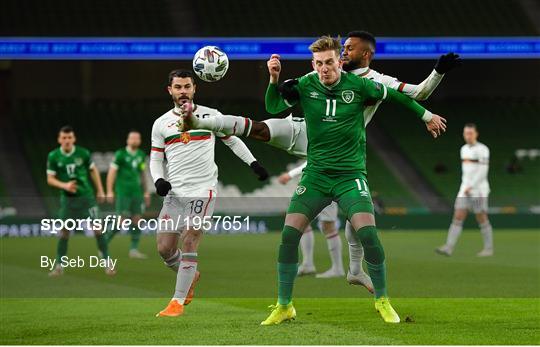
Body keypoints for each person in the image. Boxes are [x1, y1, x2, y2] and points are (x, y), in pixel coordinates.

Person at [181, 31, 455, 293]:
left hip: (340, 150)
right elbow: (275, 105)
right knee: (262, 128)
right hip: (305, 131)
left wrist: (438, 73)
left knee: (356, 220)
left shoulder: (376, 81)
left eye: (350, 47)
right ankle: (202, 122)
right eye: (343, 47)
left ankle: (355, 269)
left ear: (367, 54)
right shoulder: (320, 72)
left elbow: (418, 93)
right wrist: (276, 81)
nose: (345, 50)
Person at [151, 69, 269, 317]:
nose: (183, 91)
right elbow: (155, 158)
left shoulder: (211, 116)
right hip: (175, 193)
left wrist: (254, 163)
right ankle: (191, 275)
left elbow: (233, 140)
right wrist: (159, 179)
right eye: (178, 87)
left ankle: (177, 302)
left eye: (187, 86)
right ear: (169, 90)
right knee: (164, 248)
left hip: (202, 190)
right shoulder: (161, 123)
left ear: (195, 88)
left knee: (191, 238)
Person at [46, 125, 115, 276]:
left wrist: (100, 190)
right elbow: (50, 179)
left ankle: (107, 262)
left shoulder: (83, 153)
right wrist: (64, 185)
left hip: (86, 199)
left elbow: (93, 170)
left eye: (69, 137)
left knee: (98, 229)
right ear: (59, 139)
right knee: (64, 232)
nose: (67, 140)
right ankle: (59, 265)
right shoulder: (53, 156)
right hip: (68, 201)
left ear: (74, 139)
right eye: (64, 138)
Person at [436, 123, 493, 257]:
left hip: (478, 191)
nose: (468, 136)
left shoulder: (483, 149)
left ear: (476, 134)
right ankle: (448, 247)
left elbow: (483, 171)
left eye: (470, 133)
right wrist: (465, 187)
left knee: (481, 217)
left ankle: (489, 249)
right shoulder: (463, 149)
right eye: (466, 133)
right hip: (464, 190)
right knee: (457, 216)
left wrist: (471, 186)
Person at [105, 130, 150, 259]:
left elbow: (142, 174)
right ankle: (104, 244)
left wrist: (146, 191)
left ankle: (134, 250)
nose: (135, 140)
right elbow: (112, 172)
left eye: (137, 138)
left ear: (140, 141)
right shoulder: (120, 154)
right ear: (128, 140)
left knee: (137, 219)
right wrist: (109, 190)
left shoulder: (141, 155)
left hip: (137, 192)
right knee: (121, 220)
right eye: (132, 138)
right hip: (123, 192)